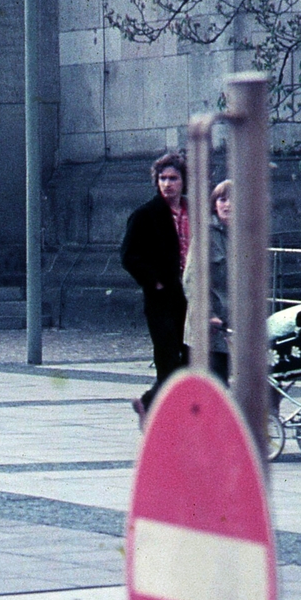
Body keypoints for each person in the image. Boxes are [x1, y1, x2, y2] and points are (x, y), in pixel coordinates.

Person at [122, 152, 191, 420]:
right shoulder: (145, 215)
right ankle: (167, 416)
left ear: (184, 181)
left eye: (173, 178)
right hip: (162, 298)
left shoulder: (193, 211)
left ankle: (150, 402)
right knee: (167, 359)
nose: (167, 184)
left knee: (188, 359)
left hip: (191, 296)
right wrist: (155, 281)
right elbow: (128, 256)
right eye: (162, 178)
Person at [183, 179, 232, 382]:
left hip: (233, 326)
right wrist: (208, 313)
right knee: (213, 386)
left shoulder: (246, 236)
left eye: (233, 200)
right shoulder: (206, 236)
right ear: (214, 203)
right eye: (222, 199)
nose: (227, 204)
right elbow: (191, 279)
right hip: (210, 326)